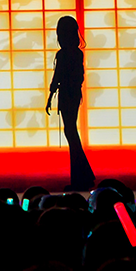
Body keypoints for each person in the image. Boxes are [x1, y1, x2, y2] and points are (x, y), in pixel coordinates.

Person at [46, 16, 94, 190]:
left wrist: (50, 95)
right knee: (71, 133)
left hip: (67, 95)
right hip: (74, 95)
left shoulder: (63, 54)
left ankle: (82, 177)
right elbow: (79, 76)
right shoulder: (77, 53)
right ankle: (83, 176)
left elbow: (57, 77)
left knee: (71, 133)